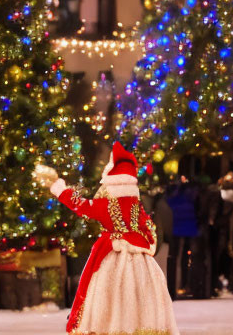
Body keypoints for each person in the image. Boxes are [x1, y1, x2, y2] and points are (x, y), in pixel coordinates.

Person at [34, 141, 178, 335]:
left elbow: (82, 206)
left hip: (113, 254)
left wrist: (60, 189)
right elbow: (148, 229)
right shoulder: (136, 203)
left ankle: (114, 328)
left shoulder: (108, 203)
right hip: (141, 260)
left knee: (110, 295)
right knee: (141, 297)